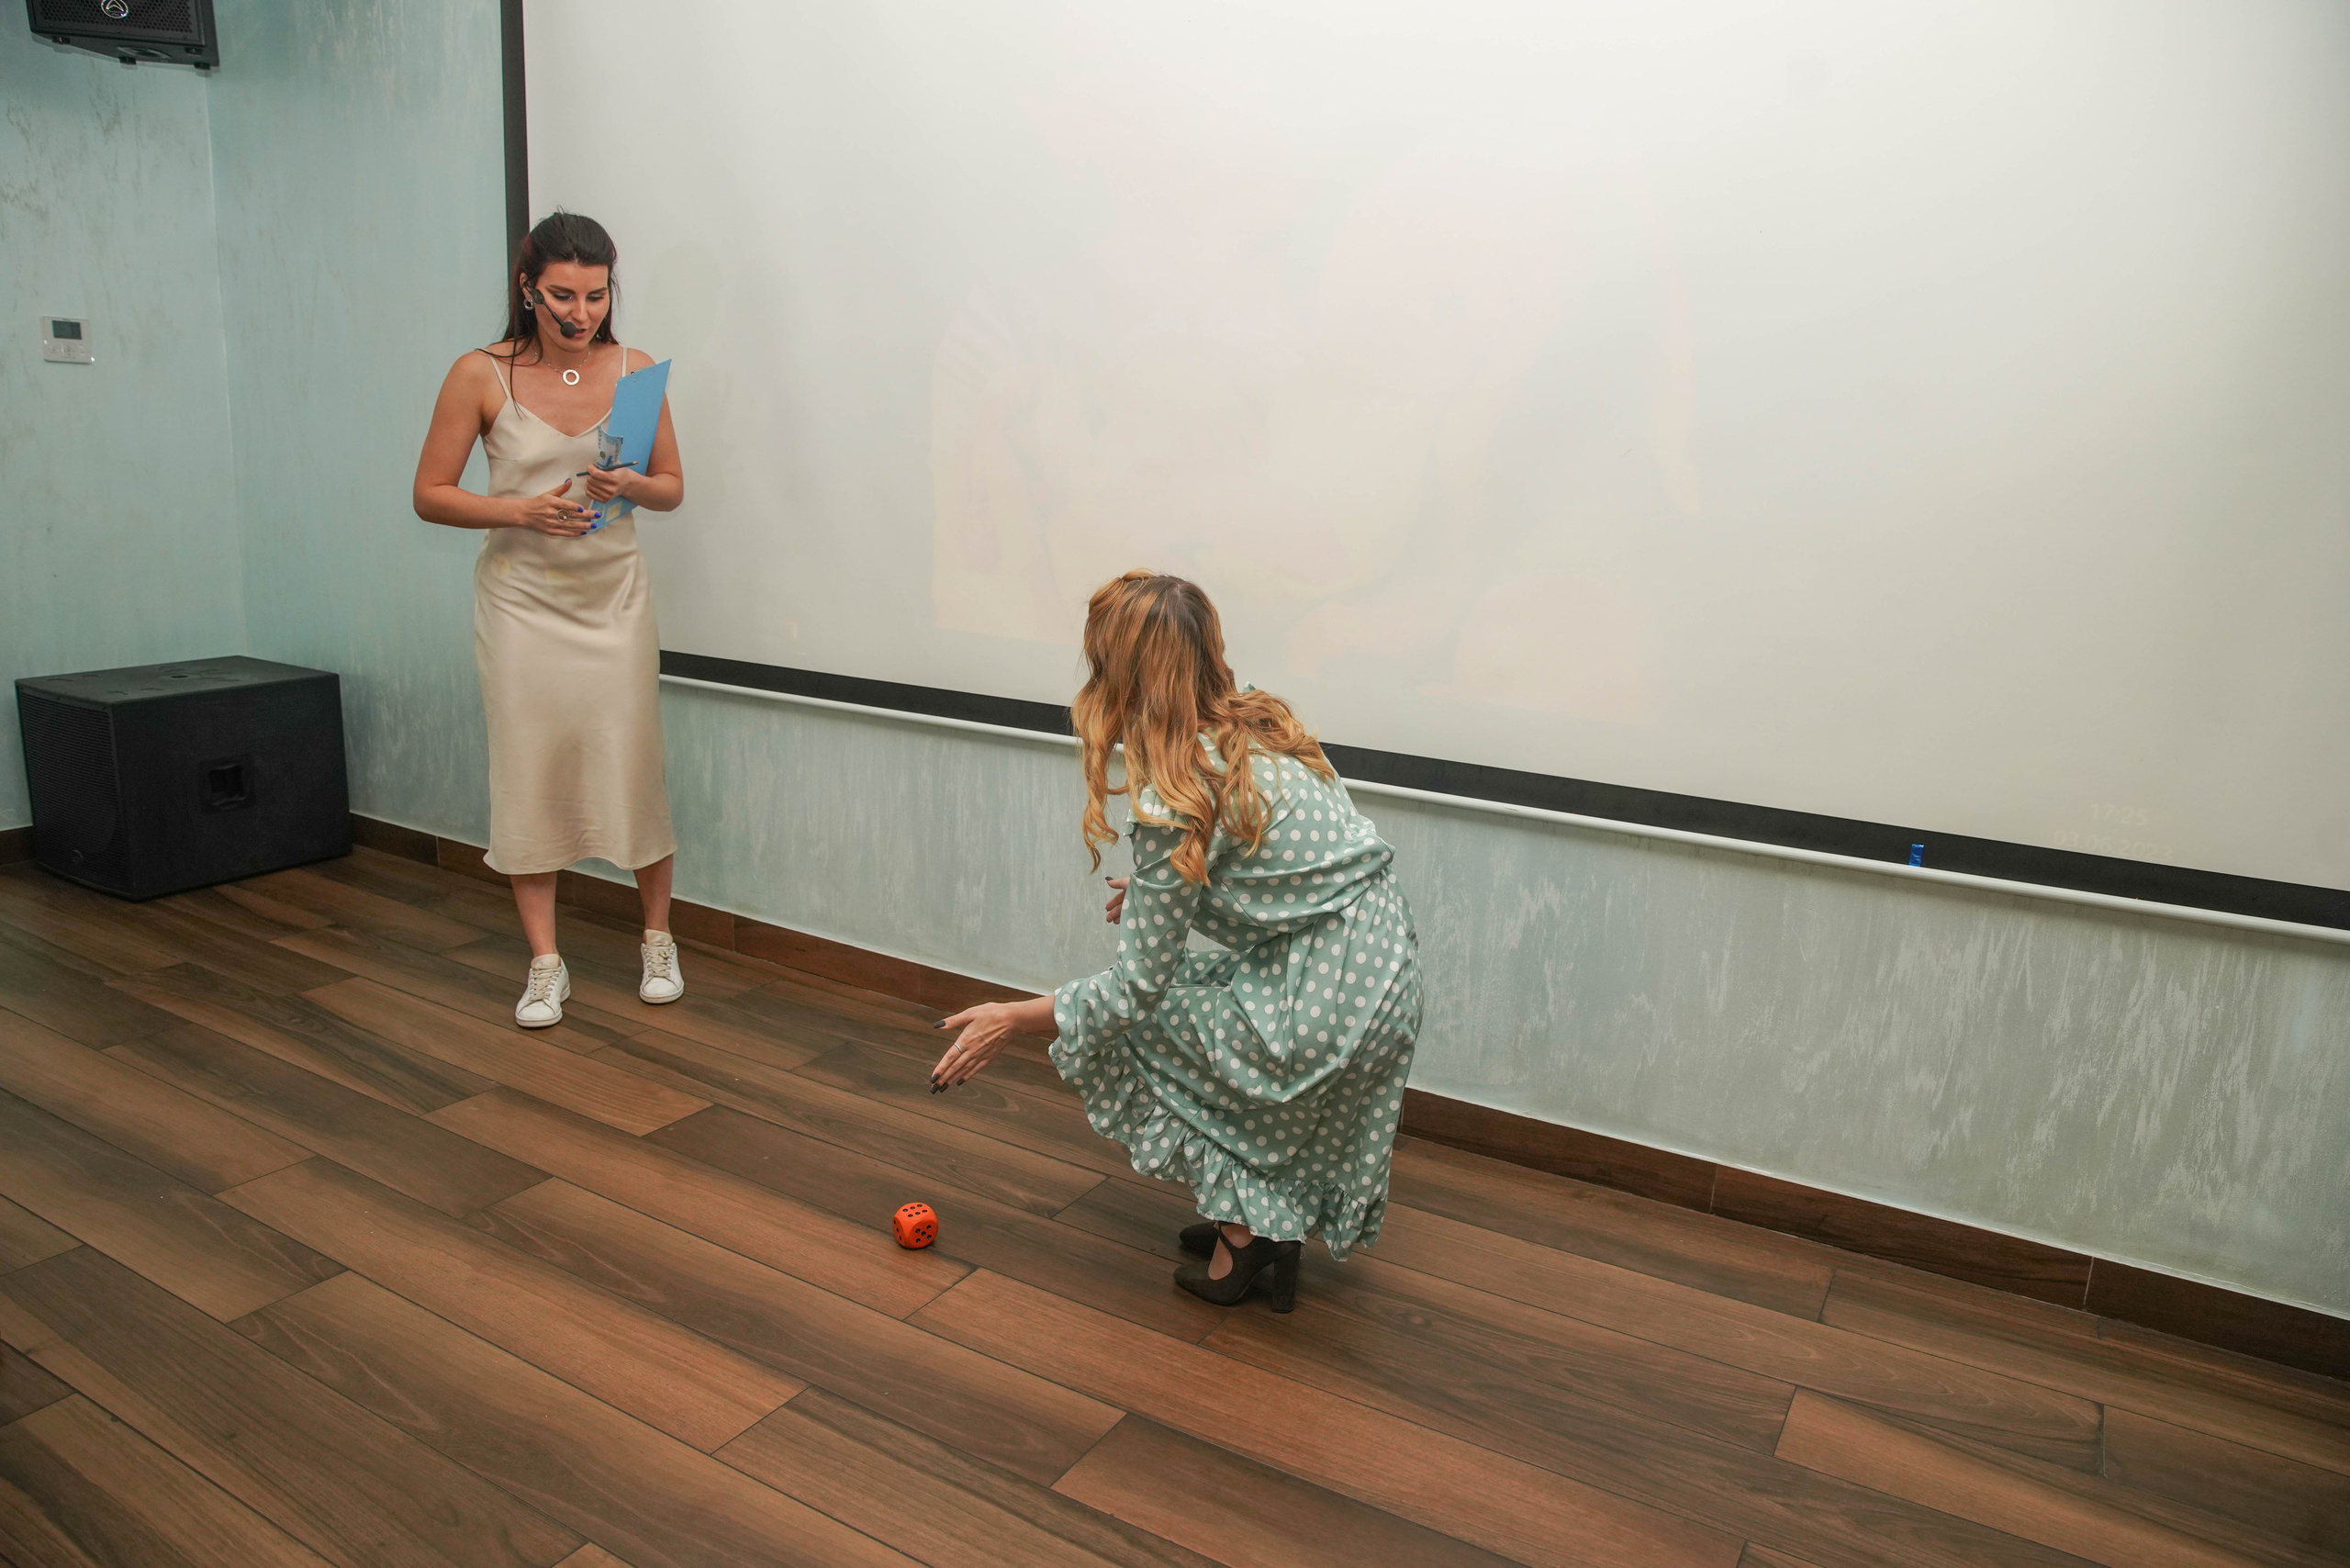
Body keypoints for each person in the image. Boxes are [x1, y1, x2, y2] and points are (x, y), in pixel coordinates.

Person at [931, 571, 1423, 1310]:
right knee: (1198, 1007)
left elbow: (1133, 992)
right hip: (1380, 970)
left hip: (1328, 995)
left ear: (1124, 677)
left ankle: (1245, 1238)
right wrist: (1174, 891)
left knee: (1129, 1030)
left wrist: (1013, 1017)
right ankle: (1266, 1219)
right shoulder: (1256, 720)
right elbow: (1309, 865)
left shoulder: (1176, 794)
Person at [411, 211, 687, 1027]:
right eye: (562, 295)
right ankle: (544, 962)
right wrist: (518, 513)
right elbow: (429, 494)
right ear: (527, 288)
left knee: (632, 760)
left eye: (596, 296)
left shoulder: (636, 372)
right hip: (523, 603)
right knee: (528, 767)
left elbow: (670, 485)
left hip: (614, 599)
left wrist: (628, 486)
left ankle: (658, 940)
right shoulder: (477, 374)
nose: (581, 314)